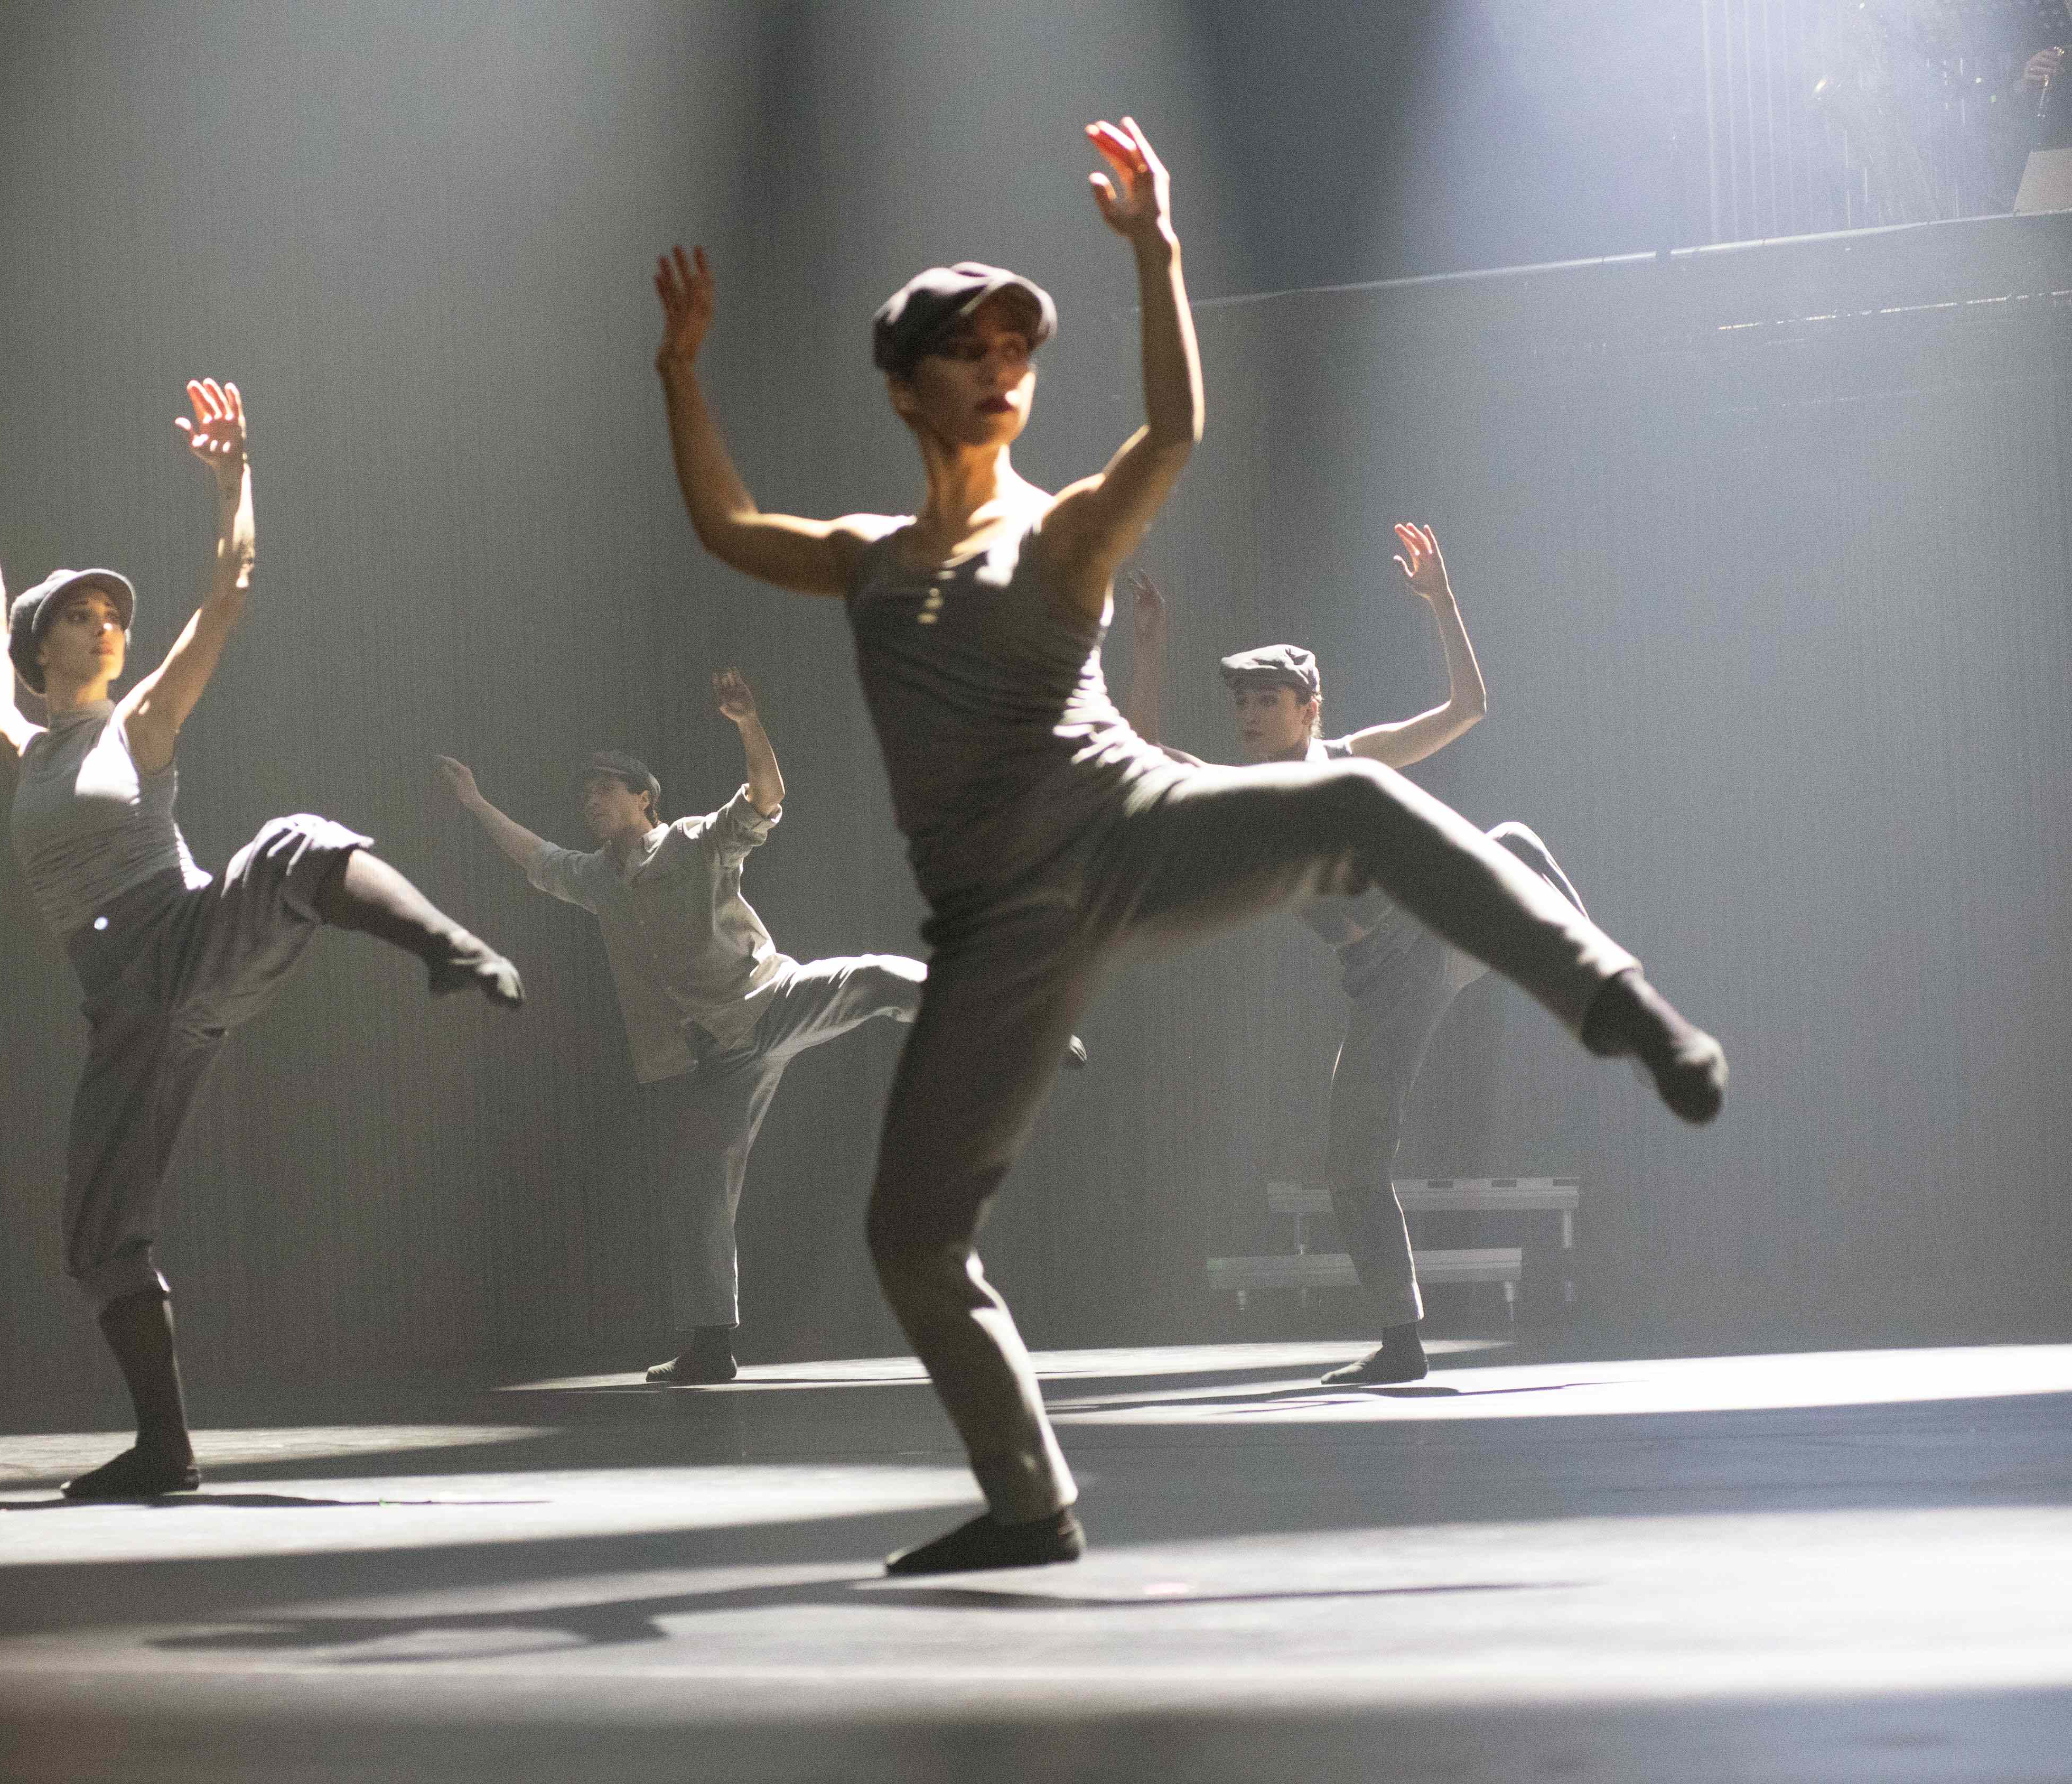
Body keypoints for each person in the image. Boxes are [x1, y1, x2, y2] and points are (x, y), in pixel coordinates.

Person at [650, 117, 1726, 1574]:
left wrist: (1156, 254)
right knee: (912, 1238)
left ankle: (1616, 1004)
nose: (1001, 370)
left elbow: (1173, 435)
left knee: (1353, 802)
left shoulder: (1066, 533)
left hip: (1130, 826)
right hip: (992, 925)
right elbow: (724, 525)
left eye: (1015, 351)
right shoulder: (864, 558)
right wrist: (680, 367)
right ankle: (1030, 1508)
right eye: (969, 351)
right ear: (908, 388)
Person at [0, 378, 523, 1502]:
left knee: (293, 840)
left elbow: (230, 592)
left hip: (188, 936)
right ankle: (166, 1447)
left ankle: (447, 947)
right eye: (81, 614)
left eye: (113, 614)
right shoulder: (27, 746)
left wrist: (233, 479)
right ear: (41, 646)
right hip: (124, 1006)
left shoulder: (142, 718)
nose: (108, 623)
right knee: (98, 1234)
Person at [1114, 533, 1596, 1388]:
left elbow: (1466, 709)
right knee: (1351, 1161)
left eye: (1269, 700)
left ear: (1309, 709)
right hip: (1382, 991)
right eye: (1244, 703)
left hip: (1438, 933)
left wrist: (1442, 603)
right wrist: (1150, 649)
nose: (1251, 716)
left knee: (1511, 842)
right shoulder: (1240, 797)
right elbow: (1144, 767)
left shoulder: (1353, 759)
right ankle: (1403, 1343)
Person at [439, 670, 956, 1386]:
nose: (589, 802)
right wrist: (475, 803)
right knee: (699, 1199)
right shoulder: (595, 878)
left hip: (765, 1002)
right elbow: (534, 857)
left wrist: (748, 724)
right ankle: (711, 1347)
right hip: (701, 1063)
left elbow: (765, 801)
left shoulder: (693, 844)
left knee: (872, 978)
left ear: (643, 796)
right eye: (583, 794)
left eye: (603, 789)